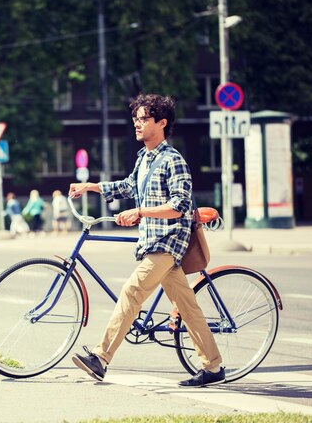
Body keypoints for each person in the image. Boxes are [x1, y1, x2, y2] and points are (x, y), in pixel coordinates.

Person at [68, 93, 224, 387]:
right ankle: (214, 367)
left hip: (167, 242)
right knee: (189, 309)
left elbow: (179, 205)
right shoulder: (144, 158)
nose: (137, 124)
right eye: (135, 118)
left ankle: (100, 358)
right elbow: (127, 186)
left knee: (132, 292)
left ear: (162, 123)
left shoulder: (173, 160)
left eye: (143, 119)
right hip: (151, 243)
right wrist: (91, 186)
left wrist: (140, 211)